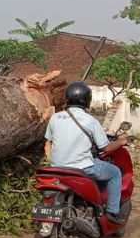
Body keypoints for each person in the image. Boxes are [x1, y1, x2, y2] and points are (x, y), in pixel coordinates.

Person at [44, 81, 128, 224]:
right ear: (87, 100)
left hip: (56, 167)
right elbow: (105, 148)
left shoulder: (55, 117)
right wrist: (121, 141)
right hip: (82, 168)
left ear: (67, 98)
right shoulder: (91, 121)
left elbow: (49, 141)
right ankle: (112, 212)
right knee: (115, 172)